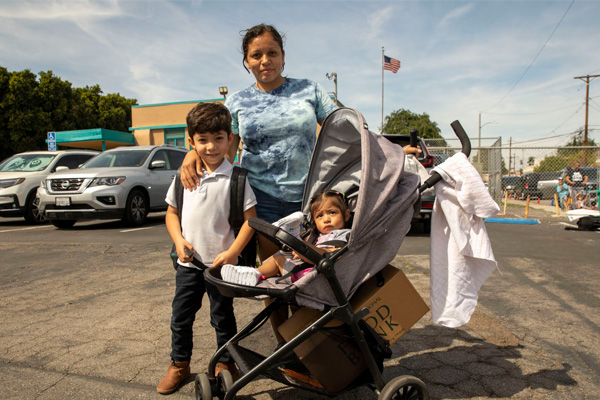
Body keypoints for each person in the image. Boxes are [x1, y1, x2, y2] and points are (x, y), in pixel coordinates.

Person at [157, 102, 257, 395]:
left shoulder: (237, 178)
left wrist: (233, 252)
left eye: (218, 138)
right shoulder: (184, 176)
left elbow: (251, 222)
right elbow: (171, 213)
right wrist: (179, 241)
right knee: (181, 317)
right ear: (191, 142)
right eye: (202, 140)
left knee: (222, 317)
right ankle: (179, 364)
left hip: (219, 267)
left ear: (229, 139)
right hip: (188, 265)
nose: (211, 147)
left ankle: (225, 363)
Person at [221, 190, 351, 340]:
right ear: (314, 221)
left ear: (346, 215)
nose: (326, 219)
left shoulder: (346, 235)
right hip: (306, 273)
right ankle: (253, 274)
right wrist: (300, 251)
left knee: (282, 258)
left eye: (332, 213)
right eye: (320, 216)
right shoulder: (316, 236)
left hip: (317, 281)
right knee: (279, 257)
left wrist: (304, 249)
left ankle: (291, 234)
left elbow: (334, 254)